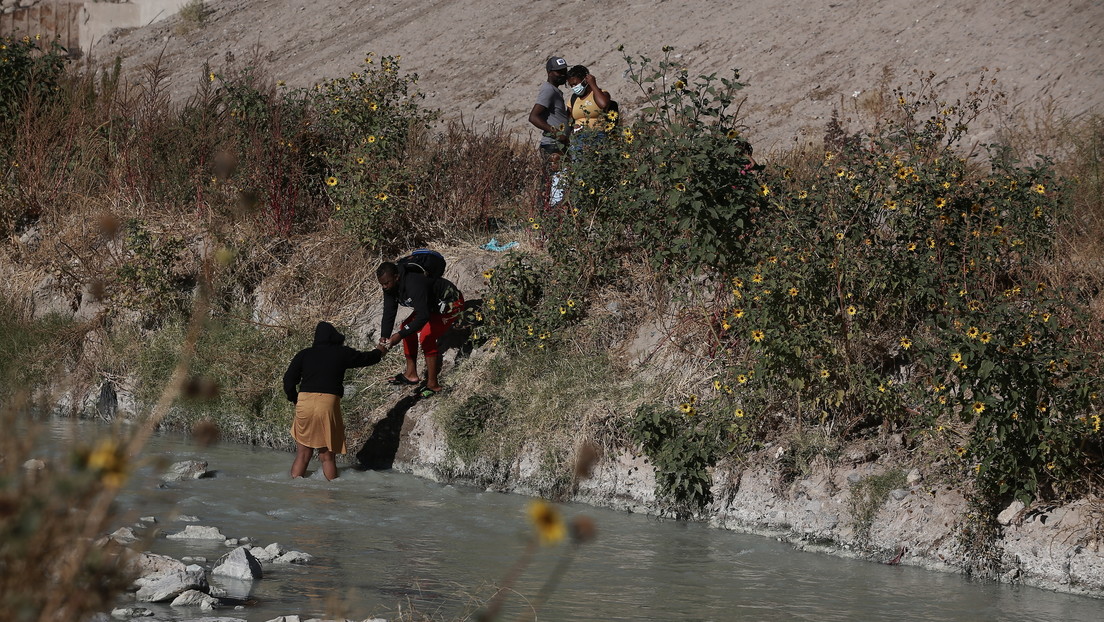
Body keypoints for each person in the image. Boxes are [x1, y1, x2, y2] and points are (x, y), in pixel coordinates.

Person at [283, 321, 384, 480]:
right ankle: (331, 497)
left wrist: (294, 398)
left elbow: (288, 379)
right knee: (327, 457)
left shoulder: (304, 354)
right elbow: (366, 358)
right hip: (327, 404)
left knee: (302, 455)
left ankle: (295, 492)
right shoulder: (340, 353)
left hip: (304, 402)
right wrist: (380, 351)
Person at [376, 261, 465, 398]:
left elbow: (423, 316)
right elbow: (389, 312)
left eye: (386, 283)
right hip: (432, 306)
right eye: (382, 284)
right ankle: (411, 374)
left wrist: (399, 336)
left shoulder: (414, 283)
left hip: (451, 304)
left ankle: (433, 385)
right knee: (405, 326)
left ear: (396, 277)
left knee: (426, 336)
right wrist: (384, 336)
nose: (384, 287)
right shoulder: (389, 287)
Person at [528, 56, 570, 207]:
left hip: (558, 143)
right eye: (559, 72)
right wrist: (556, 132)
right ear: (550, 72)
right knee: (553, 182)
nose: (563, 75)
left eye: (565, 71)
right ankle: (547, 216)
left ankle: (548, 215)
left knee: (554, 182)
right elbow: (533, 117)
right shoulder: (548, 90)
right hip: (553, 144)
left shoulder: (555, 91)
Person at [565, 64, 612, 154]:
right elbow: (569, 118)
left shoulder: (600, 94)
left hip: (598, 136)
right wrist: (573, 127)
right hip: (578, 139)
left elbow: (603, 104)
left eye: (575, 84)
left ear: (585, 80)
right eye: (571, 85)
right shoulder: (573, 99)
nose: (574, 87)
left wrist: (593, 84)